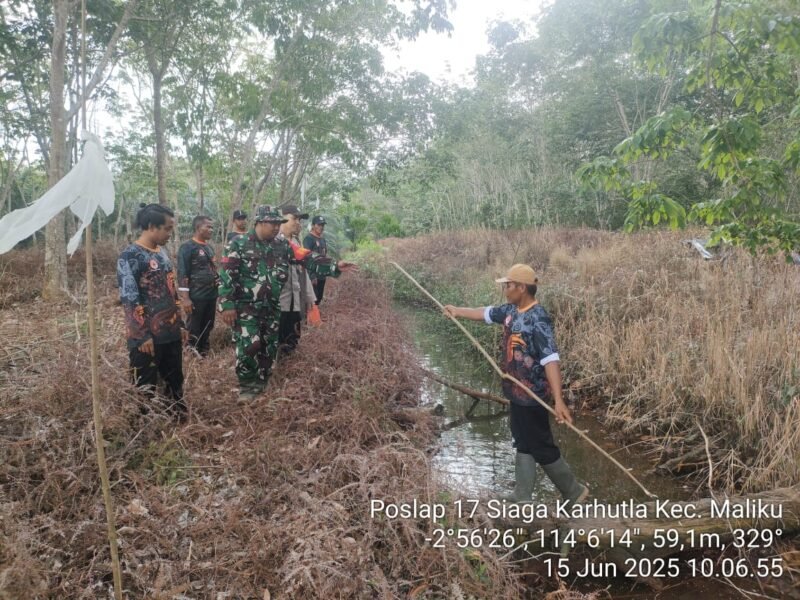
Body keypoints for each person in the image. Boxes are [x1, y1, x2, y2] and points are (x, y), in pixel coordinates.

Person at [443, 264, 588, 505]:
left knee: (541, 445)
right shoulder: (511, 310)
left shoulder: (538, 318)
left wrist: (559, 400)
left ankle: (573, 491)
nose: (505, 289)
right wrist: (457, 310)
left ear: (521, 288)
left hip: (533, 396)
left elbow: (551, 359)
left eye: (508, 285)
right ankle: (523, 495)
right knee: (522, 440)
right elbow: (486, 313)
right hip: (515, 392)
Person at [218, 205, 357, 399]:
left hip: (272, 308)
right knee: (249, 347)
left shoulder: (282, 245)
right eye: (272, 223)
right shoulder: (239, 243)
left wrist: (334, 266)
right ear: (260, 222)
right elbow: (226, 275)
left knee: (268, 347)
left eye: (279, 223)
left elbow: (306, 257)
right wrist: (226, 305)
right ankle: (248, 390)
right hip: (246, 308)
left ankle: (263, 385)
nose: (276, 227)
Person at [117, 203, 188, 417]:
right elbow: (130, 299)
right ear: (151, 226)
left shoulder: (162, 253)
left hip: (171, 332)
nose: (170, 233)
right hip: (146, 338)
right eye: (166, 228)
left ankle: (177, 419)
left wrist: (180, 323)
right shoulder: (130, 256)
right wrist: (141, 335)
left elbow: (171, 290)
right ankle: (145, 428)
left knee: (175, 380)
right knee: (145, 386)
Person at [277, 204, 317, 354]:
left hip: (295, 300)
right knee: (275, 340)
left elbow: (303, 272)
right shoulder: (272, 242)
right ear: (282, 218)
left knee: (292, 339)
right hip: (279, 302)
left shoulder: (296, 242)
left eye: (300, 220)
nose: (298, 223)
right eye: (295, 218)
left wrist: (309, 298)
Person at [177, 215, 219, 357]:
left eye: (212, 227)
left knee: (208, 325)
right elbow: (182, 273)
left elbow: (213, 269)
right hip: (196, 296)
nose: (211, 230)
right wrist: (186, 299)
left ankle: (204, 352)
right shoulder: (187, 247)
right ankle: (192, 354)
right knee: (194, 327)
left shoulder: (209, 248)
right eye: (208, 226)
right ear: (197, 227)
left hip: (211, 295)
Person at [303, 215, 328, 305]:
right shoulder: (308, 239)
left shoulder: (322, 240)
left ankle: (315, 316)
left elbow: (324, 256)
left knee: (319, 297)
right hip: (313, 275)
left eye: (322, 225)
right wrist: (312, 276)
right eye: (319, 225)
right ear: (313, 225)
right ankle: (310, 317)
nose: (321, 227)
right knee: (312, 298)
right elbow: (307, 257)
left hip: (322, 274)